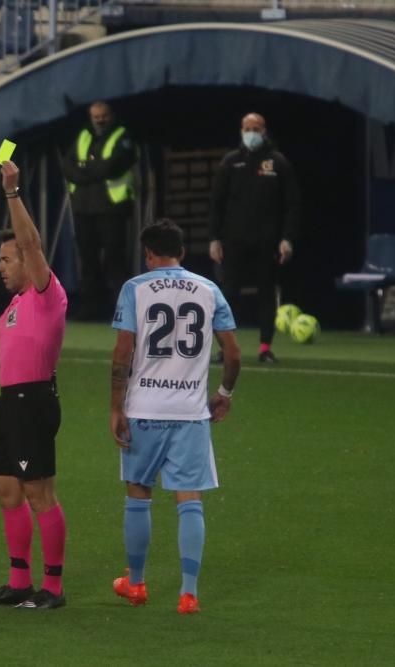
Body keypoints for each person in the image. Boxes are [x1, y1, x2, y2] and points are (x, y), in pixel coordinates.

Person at [109, 220, 240, 614]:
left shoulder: (135, 288)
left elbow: (122, 354)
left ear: (149, 253)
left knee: (138, 493)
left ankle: (135, 585)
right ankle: (188, 593)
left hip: (144, 409)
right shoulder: (209, 290)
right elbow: (232, 354)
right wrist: (224, 393)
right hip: (189, 412)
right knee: (189, 500)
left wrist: (116, 406)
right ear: (182, 252)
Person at [0, 160, 68, 610]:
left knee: (38, 493)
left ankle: (52, 587)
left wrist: (12, 192)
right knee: (8, 493)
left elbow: (29, 241)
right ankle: (19, 581)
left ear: (30, 262)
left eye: (7, 260)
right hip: (8, 403)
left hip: (33, 401)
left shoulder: (48, 295)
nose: (1, 267)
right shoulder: (11, 307)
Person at [209, 112, 299, 363]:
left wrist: (287, 238)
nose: (251, 133)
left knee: (266, 292)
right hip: (233, 239)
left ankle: (264, 347)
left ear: (264, 131)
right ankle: (225, 348)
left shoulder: (277, 162)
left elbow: (292, 204)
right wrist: (214, 238)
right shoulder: (230, 162)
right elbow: (217, 203)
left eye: (256, 128)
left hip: (266, 240)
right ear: (240, 130)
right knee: (228, 294)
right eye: (247, 128)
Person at [61, 100, 137, 320]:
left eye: (103, 116)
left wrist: (85, 168)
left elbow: (113, 166)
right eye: (96, 116)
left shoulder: (122, 135)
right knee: (88, 260)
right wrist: (91, 169)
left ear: (110, 115)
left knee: (115, 260)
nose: (99, 120)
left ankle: (123, 309)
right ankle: (90, 308)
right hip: (84, 208)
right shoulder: (83, 135)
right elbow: (68, 165)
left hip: (112, 208)